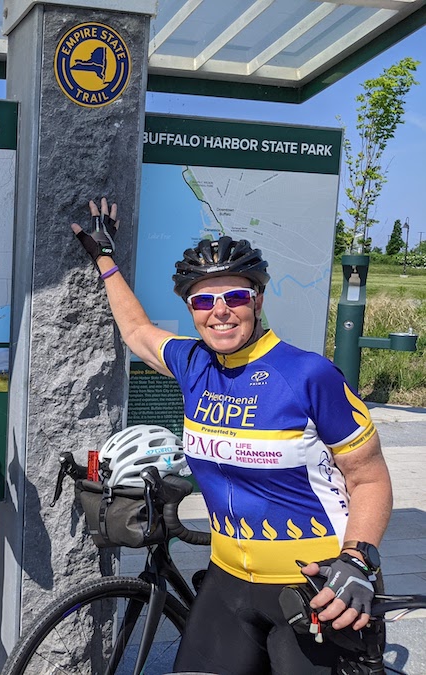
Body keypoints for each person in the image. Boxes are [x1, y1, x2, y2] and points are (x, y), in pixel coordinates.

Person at [71, 198, 393, 674]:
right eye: (203, 301)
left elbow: (369, 480)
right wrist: (104, 258)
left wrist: (357, 560)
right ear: (191, 310)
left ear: (257, 301)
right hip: (228, 585)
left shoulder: (308, 374)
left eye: (235, 297)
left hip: (316, 588)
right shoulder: (193, 363)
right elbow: (137, 332)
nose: (219, 312)